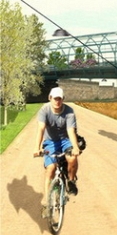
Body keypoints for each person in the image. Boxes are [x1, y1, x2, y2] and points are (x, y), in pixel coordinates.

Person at [34, 87, 81, 218]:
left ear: (63, 99)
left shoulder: (69, 112)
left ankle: (71, 181)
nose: (57, 101)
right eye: (55, 98)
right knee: (50, 169)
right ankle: (45, 201)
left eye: (60, 99)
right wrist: (37, 148)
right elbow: (41, 128)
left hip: (66, 141)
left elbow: (71, 131)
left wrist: (75, 147)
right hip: (50, 142)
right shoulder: (44, 110)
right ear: (50, 98)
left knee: (72, 159)